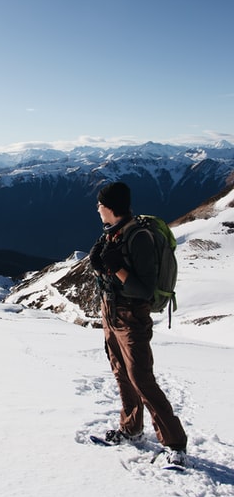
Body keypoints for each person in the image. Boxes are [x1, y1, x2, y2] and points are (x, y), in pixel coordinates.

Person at [89, 181, 187, 468]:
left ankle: (176, 445)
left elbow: (143, 290)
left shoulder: (138, 237)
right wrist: (103, 263)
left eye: (100, 203)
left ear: (110, 207)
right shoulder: (113, 233)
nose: (97, 208)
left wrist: (116, 267)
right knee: (121, 372)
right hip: (111, 313)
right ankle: (131, 429)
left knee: (141, 377)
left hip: (131, 317)